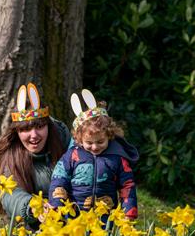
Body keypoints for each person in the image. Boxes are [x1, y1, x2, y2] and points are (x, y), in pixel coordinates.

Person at [48, 89, 139, 221]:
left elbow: (127, 185)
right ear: (79, 139)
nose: (95, 147)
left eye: (100, 141)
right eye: (89, 142)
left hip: (105, 216)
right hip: (75, 215)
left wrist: (129, 212)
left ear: (109, 135)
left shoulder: (117, 157)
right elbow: (59, 180)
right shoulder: (72, 155)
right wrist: (56, 205)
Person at [0, 83, 71, 229]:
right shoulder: (11, 155)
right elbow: (11, 194)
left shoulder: (65, 142)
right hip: (33, 227)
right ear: (17, 131)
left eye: (39, 127)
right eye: (26, 129)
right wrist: (32, 207)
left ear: (48, 126)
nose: (34, 135)